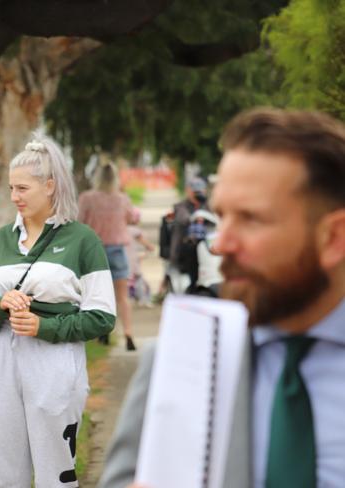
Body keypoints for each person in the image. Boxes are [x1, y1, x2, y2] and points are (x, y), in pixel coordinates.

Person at [99, 107, 345, 488]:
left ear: (333, 238)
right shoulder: (178, 362)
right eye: (221, 216)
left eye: (251, 219)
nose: (221, 245)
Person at [0, 136, 116, 488]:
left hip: (55, 361)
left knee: (55, 468)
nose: (15, 196)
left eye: (22, 188)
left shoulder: (82, 240)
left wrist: (43, 326)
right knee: (1, 466)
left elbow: (102, 316)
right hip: (2, 359)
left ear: (49, 186)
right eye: (11, 188)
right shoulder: (2, 238)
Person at [79, 161, 137, 350]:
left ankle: (102, 332)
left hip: (95, 250)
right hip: (118, 249)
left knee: (96, 293)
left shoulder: (87, 198)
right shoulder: (122, 198)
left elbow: (79, 221)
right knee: (122, 296)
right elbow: (132, 218)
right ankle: (128, 334)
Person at [167, 176, 209, 292]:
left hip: (207, 246)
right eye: (194, 191)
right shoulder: (181, 206)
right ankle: (193, 287)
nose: (197, 194)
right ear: (188, 191)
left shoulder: (208, 205)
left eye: (200, 191)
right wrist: (195, 218)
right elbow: (183, 218)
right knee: (192, 249)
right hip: (186, 248)